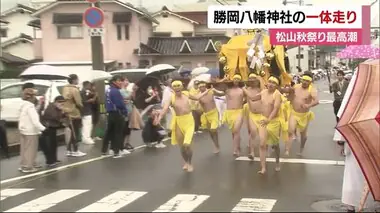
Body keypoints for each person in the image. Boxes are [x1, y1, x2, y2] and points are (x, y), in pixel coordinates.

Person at [158, 80, 209, 172]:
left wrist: (206, 92)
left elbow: (197, 97)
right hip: (178, 122)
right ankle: (186, 162)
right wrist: (160, 117)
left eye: (178, 86)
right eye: (175, 86)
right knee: (182, 147)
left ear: (182, 87)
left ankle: (189, 163)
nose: (177, 88)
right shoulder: (171, 98)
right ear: (173, 89)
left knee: (187, 144)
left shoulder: (186, 94)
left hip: (189, 121)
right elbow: (165, 109)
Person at [244, 76, 282, 174]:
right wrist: (244, 89)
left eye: (273, 83)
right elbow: (252, 98)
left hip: (273, 122)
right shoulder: (264, 92)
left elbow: (276, 109)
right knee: (262, 144)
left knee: (275, 144)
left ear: (277, 86)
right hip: (263, 119)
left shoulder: (277, 94)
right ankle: (263, 168)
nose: (271, 84)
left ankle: (277, 162)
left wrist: (269, 120)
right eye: (269, 82)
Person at [287, 72, 319, 156]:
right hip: (294, 113)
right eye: (303, 80)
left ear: (310, 82)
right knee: (290, 130)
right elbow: (289, 95)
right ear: (301, 80)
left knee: (303, 136)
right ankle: (287, 149)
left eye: (307, 81)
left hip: (304, 115)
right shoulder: (296, 87)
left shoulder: (312, 90)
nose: (304, 82)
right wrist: (288, 92)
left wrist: (308, 105)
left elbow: (316, 101)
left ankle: (301, 148)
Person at [18, 86, 46, 173]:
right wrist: (44, 129)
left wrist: (40, 104)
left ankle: (24, 164)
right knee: (31, 149)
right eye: (34, 96)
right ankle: (28, 166)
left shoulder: (23, 105)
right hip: (30, 131)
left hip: (23, 129)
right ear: (32, 97)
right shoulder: (30, 107)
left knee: (24, 148)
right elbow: (35, 121)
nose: (35, 97)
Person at [217, 74, 245, 157]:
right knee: (234, 132)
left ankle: (235, 149)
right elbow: (217, 87)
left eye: (238, 79)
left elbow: (250, 97)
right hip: (229, 112)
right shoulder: (227, 89)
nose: (236, 80)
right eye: (235, 78)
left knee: (236, 130)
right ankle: (238, 145)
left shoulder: (242, 90)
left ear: (240, 81)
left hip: (239, 111)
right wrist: (224, 79)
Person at [102, 75, 128, 158]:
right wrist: (125, 111)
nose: (120, 82)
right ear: (114, 81)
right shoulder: (115, 91)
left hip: (110, 113)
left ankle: (104, 151)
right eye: (119, 81)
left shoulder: (108, 90)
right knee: (118, 133)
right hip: (117, 113)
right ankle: (117, 152)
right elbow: (120, 104)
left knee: (109, 132)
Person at [62, 74, 86, 157]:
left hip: (66, 112)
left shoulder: (64, 88)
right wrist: (82, 107)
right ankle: (75, 150)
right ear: (74, 80)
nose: (78, 80)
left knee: (69, 131)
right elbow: (78, 102)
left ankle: (69, 150)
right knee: (75, 132)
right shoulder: (74, 90)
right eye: (77, 79)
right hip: (74, 112)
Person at [40, 96, 67, 167]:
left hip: (53, 127)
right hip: (48, 128)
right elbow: (55, 117)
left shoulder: (57, 108)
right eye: (60, 103)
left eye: (63, 103)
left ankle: (54, 159)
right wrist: (62, 113)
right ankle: (50, 161)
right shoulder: (51, 107)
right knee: (49, 145)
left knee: (54, 144)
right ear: (56, 102)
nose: (62, 104)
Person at [242, 73, 263, 160]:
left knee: (263, 134)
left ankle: (265, 148)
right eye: (250, 79)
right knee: (253, 131)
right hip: (252, 114)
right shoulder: (247, 89)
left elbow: (253, 97)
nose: (252, 81)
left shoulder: (261, 89)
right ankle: (252, 152)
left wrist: (259, 78)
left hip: (262, 114)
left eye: (254, 80)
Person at [197, 81, 220, 153]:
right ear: (199, 88)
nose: (202, 88)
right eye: (200, 87)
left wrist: (215, 90)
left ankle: (217, 145)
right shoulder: (199, 96)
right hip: (206, 115)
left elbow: (221, 93)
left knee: (213, 129)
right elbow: (197, 106)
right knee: (211, 132)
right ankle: (216, 145)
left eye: (203, 86)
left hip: (214, 113)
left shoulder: (211, 92)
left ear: (205, 86)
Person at [120, 78, 134, 153]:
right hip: (124, 113)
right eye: (126, 80)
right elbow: (126, 97)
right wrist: (131, 92)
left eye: (128, 80)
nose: (127, 82)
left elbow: (130, 99)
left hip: (129, 112)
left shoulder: (127, 90)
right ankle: (122, 145)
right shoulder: (121, 91)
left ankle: (127, 143)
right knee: (124, 129)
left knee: (129, 128)